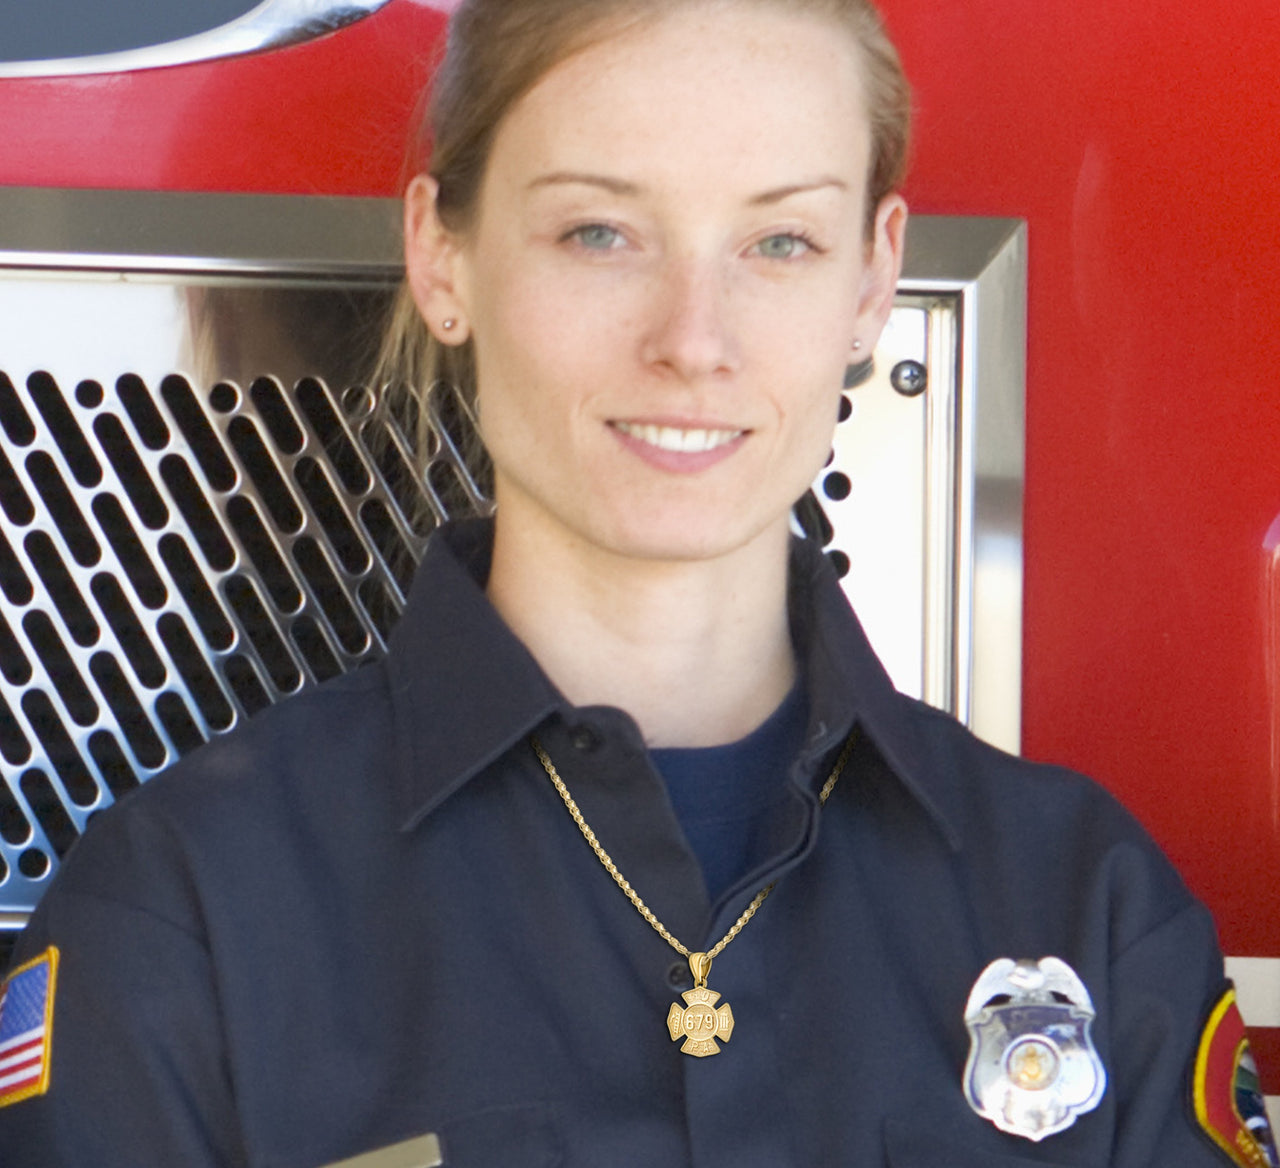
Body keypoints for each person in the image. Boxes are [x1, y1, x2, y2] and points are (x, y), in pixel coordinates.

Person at [0, 0, 1271, 1165]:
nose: (691, 341)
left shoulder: (1089, 909)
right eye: (599, 232)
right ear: (443, 258)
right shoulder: (183, 920)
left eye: (777, 240)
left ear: (873, 280)